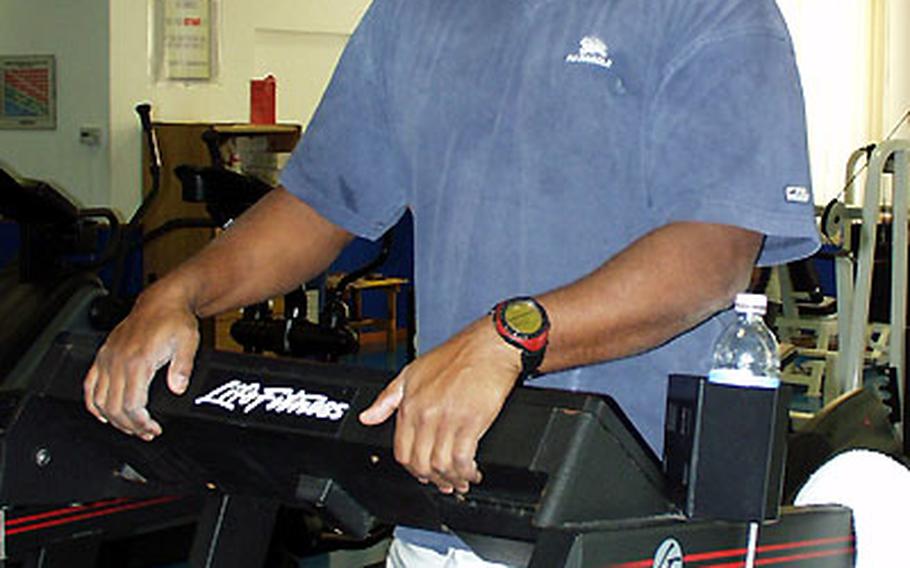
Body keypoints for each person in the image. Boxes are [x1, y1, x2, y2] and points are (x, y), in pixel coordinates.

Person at [84, 0, 820, 565]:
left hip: (632, 517)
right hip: (440, 500)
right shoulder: (414, 14)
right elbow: (320, 201)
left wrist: (510, 338)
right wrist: (177, 294)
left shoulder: (713, 12)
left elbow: (712, 252)